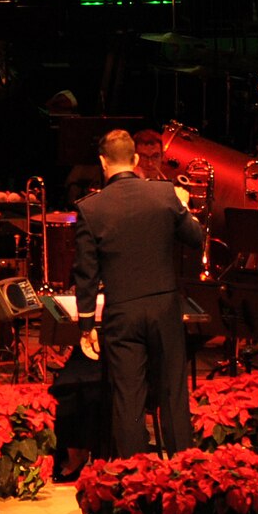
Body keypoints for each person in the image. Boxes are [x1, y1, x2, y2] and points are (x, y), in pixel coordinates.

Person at [71, 127, 205, 457]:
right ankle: (182, 474)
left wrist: (86, 326)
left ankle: (134, 482)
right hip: (164, 308)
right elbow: (196, 238)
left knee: (128, 399)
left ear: (103, 162)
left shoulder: (90, 209)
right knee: (173, 393)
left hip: (123, 313)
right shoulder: (164, 194)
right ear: (134, 159)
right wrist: (183, 207)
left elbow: (86, 274)